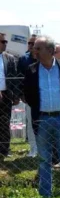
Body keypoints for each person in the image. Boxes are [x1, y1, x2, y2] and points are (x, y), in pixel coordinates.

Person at [22, 36, 60, 198]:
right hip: (41, 120)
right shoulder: (31, 70)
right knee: (44, 160)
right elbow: (28, 94)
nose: (35, 51)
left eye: (39, 48)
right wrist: (38, 111)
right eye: (35, 48)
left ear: (50, 50)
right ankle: (45, 195)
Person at [0, 32, 22, 160]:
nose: (5, 44)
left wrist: (16, 95)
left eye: (5, 42)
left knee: (4, 122)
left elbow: (15, 78)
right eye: (3, 42)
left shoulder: (9, 58)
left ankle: (4, 150)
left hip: (6, 94)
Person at [18, 35, 38, 158]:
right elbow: (19, 79)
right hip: (29, 97)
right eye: (29, 43)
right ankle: (33, 149)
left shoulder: (45, 58)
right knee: (31, 123)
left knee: (44, 123)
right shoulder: (23, 59)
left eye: (33, 43)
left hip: (45, 96)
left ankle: (44, 149)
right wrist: (21, 94)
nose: (31, 46)